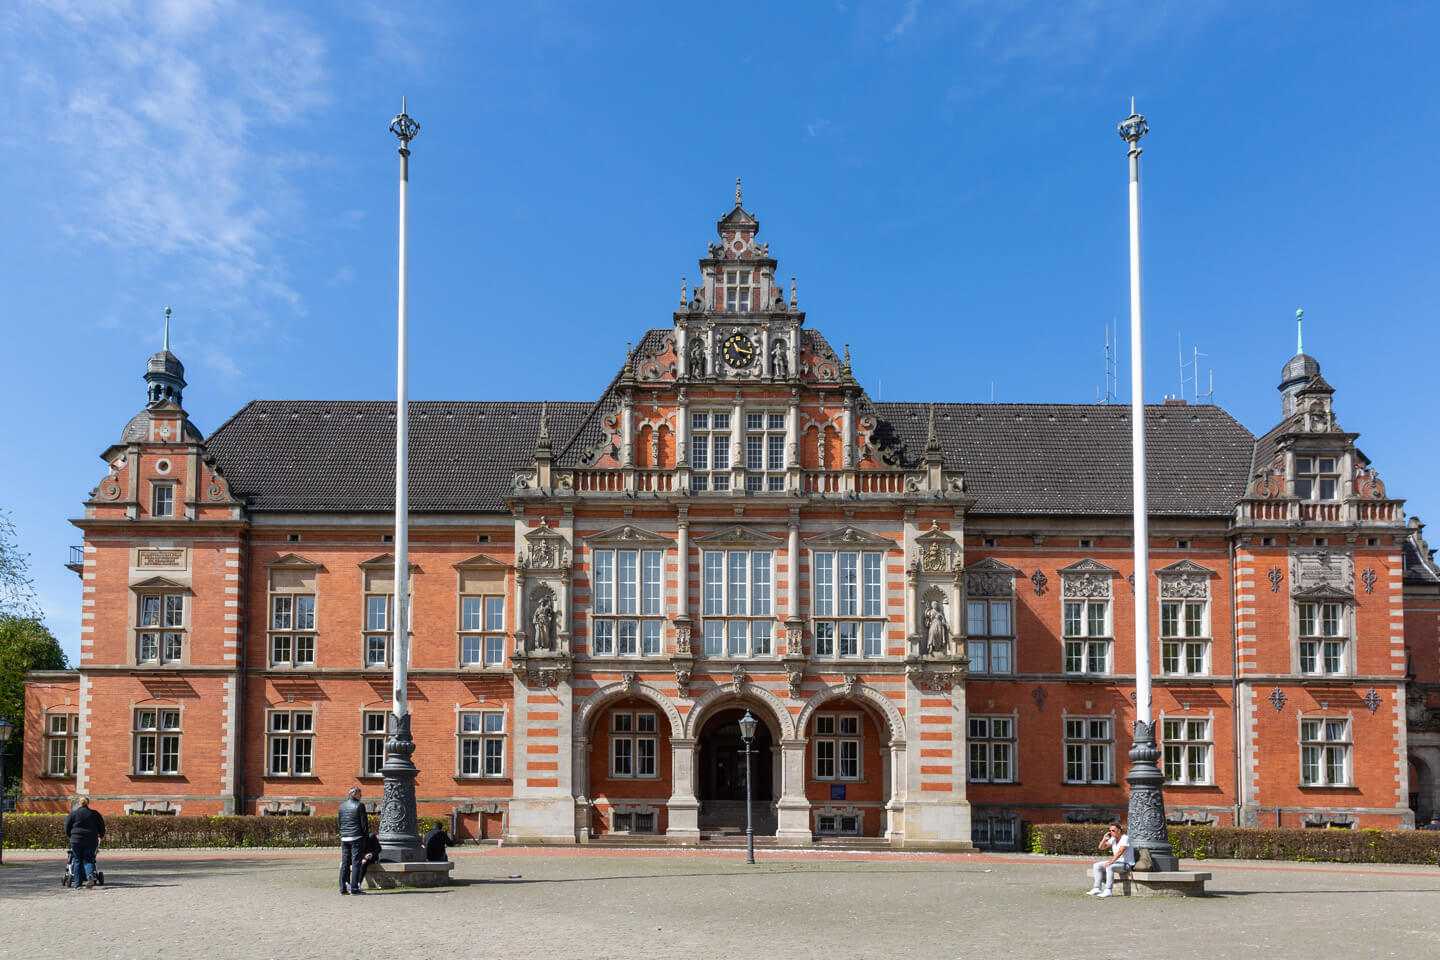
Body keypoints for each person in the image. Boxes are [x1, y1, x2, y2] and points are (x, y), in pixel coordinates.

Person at [63, 796, 105, 890]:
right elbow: (102, 826)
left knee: (77, 860)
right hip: (91, 840)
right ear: (88, 803)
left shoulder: (73, 814)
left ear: (79, 803)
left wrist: (70, 835)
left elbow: (66, 826)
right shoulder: (95, 814)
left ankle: (78, 884)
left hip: (76, 840)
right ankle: (90, 875)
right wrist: (100, 835)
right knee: (89, 859)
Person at [1087, 823, 1135, 899]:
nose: (1110, 832)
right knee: (1096, 865)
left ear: (1119, 831)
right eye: (1110, 830)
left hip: (1127, 864)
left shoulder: (1125, 838)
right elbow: (1101, 847)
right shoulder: (1113, 839)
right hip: (1117, 863)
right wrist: (1104, 839)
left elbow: (1120, 852)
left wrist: (1111, 862)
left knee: (1110, 866)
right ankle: (1097, 888)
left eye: (1113, 830)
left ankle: (1108, 890)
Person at [337, 786, 367, 895]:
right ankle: (354, 888)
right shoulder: (359, 806)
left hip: (344, 837)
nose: (361, 796)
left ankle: (342, 887)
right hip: (356, 837)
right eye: (360, 794)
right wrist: (365, 836)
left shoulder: (342, 806)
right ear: (354, 794)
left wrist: (342, 833)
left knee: (345, 862)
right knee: (356, 863)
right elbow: (364, 824)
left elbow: (339, 822)